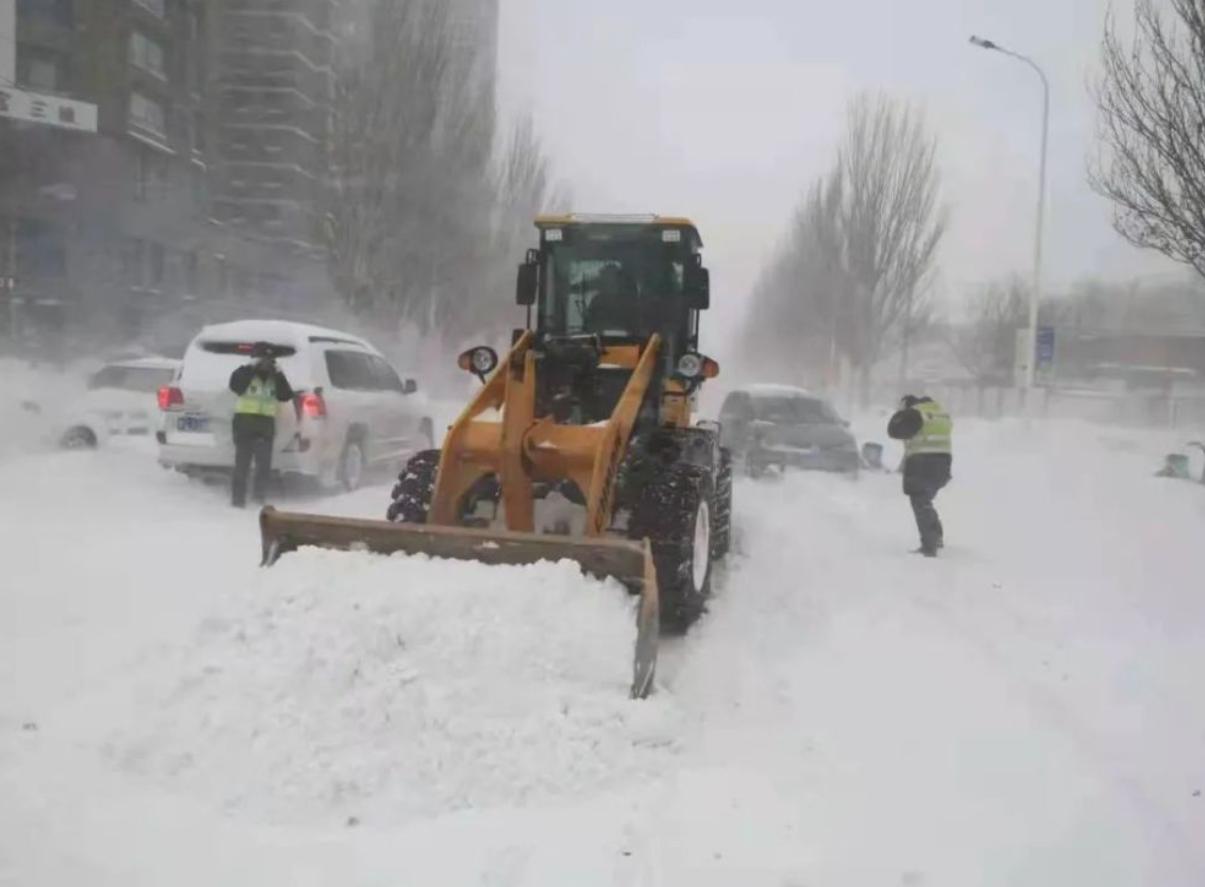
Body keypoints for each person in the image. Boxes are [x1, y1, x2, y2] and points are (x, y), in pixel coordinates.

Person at [228, 342, 294, 508]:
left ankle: (258, 498)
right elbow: (235, 386)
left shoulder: (274, 377)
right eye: (263, 359)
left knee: (263, 466)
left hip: (265, 426)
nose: (266, 363)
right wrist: (251, 368)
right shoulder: (244, 373)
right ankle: (238, 500)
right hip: (244, 424)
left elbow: (285, 395)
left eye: (269, 360)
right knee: (242, 465)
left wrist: (278, 373)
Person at [887, 394, 952, 557]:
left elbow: (894, 431)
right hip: (943, 464)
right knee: (925, 500)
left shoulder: (915, 413)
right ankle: (936, 537)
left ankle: (930, 545)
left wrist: (900, 414)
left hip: (922, 463)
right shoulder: (940, 414)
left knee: (920, 502)